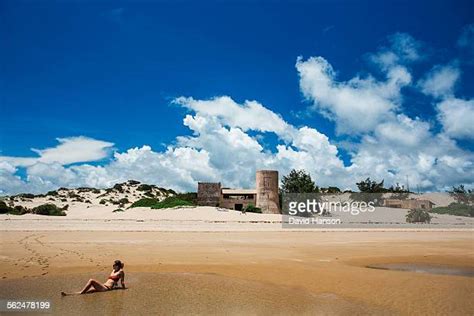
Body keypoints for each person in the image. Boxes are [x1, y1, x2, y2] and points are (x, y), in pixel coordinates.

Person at [61, 260, 125, 296]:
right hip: (103, 286)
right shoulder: (113, 271)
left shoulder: (121, 272)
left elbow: (122, 282)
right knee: (87, 291)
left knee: (91, 280)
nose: (112, 266)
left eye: (114, 265)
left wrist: (123, 290)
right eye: (113, 265)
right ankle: (69, 294)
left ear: (117, 266)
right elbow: (122, 264)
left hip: (106, 288)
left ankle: (80, 293)